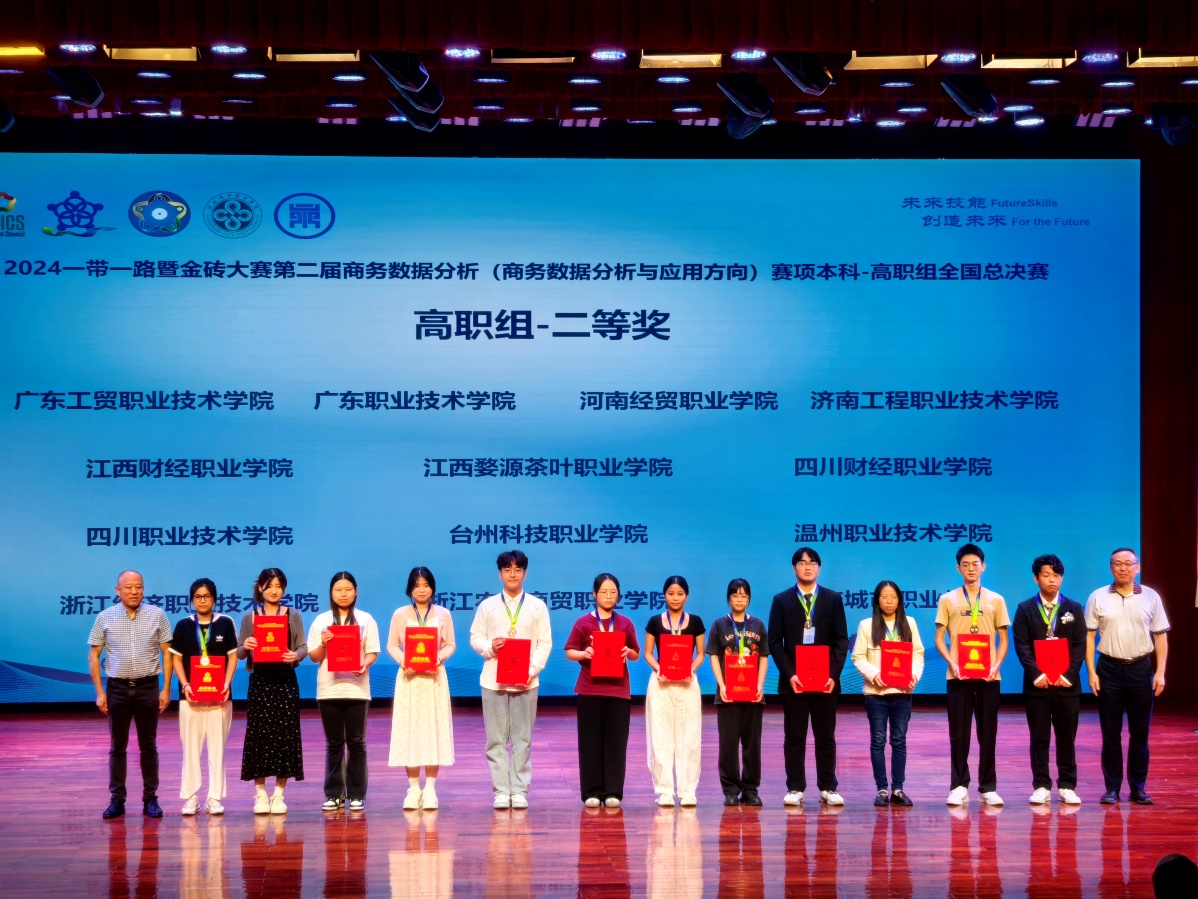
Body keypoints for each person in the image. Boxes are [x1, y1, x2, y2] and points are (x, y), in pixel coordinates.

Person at [469, 549, 553, 809]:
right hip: (493, 681)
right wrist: (490, 647)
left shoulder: (537, 606)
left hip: (526, 682)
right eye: (507, 569)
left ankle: (519, 790)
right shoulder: (487, 605)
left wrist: (531, 670)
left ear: (525, 573)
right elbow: (475, 637)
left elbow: (545, 643)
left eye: (518, 569)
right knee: (495, 739)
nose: (513, 574)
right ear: (500, 574)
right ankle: (501, 791)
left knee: (522, 739)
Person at [1085, 547, 1170, 805]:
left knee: (1140, 733)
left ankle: (1138, 787)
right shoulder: (1097, 596)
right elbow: (1089, 636)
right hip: (1108, 669)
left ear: (1137, 567)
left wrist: (1160, 672)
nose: (1123, 568)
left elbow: (1160, 636)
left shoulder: (1151, 596)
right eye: (1117, 564)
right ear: (1111, 568)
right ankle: (1111, 788)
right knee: (1110, 733)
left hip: (1140, 669)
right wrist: (1091, 672)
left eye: (1128, 563)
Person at [88, 570, 174, 819]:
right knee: (117, 747)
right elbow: (94, 656)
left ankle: (150, 799)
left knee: (149, 746)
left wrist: (166, 689)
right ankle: (117, 799)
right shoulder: (105, 616)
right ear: (118, 591)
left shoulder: (157, 614)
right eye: (128, 587)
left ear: (144, 589)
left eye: (139, 586)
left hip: (148, 688)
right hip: (117, 689)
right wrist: (99, 692)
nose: (134, 591)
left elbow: (167, 653)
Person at [767, 547, 848, 807]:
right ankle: (795, 788)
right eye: (802, 563)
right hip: (795, 683)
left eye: (812, 562)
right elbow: (774, 642)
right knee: (794, 736)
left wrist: (833, 674)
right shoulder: (781, 600)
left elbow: (841, 640)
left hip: (825, 682)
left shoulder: (832, 599)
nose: (808, 567)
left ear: (819, 568)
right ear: (794, 568)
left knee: (826, 736)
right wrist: (790, 674)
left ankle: (828, 787)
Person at [934, 542, 1010, 807]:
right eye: (965, 565)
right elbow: (939, 637)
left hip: (989, 677)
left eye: (975, 564)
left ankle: (988, 787)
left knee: (988, 734)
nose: (970, 569)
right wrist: (951, 662)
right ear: (958, 569)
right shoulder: (948, 599)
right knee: (959, 734)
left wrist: (996, 666)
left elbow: (1004, 639)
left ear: (983, 567)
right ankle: (958, 785)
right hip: (958, 676)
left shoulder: (996, 599)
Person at [1012, 554, 1086, 806]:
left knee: (1067, 738)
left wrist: (1069, 675)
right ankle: (1041, 785)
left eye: (1056, 575)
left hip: (1067, 685)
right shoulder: (1025, 609)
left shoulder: (1074, 607)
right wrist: (1037, 674)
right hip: (1038, 685)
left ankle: (1067, 785)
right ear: (1036, 578)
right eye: (1046, 575)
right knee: (1039, 737)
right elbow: (1022, 645)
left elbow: (1080, 645)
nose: (1052, 580)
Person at [564, 572, 641, 808]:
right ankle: (591, 792)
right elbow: (570, 652)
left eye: (613, 592)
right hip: (589, 690)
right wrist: (584, 653)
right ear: (594, 594)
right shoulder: (583, 622)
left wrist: (627, 652)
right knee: (590, 742)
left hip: (618, 691)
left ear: (618, 595)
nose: (608, 596)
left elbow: (636, 654)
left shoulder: (625, 623)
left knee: (616, 742)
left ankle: (613, 792)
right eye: (604, 592)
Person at [307, 571, 381, 811]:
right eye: (338, 589)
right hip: (328, 689)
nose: (343, 594)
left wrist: (365, 664)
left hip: (357, 688)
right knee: (334, 743)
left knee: (357, 742)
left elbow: (372, 652)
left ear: (356, 591)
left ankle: (357, 794)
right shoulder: (321, 621)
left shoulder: (366, 619)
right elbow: (314, 657)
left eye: (348, 589)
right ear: (331, 592)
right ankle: (334, 794)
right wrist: (323, 643)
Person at [238, 567, 307, 814]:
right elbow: (239, 652)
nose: (274, 591)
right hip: (260, 681)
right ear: (260, 588)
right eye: (269, 586)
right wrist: (246, 646)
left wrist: (295, 655)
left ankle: (279, 794)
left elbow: (303, 647)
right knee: (258, 735)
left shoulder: (293, 614)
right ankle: (260, 794)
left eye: (279, 586)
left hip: (285, 681)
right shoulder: (250, 617)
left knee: (285, 735)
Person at [388, 566, 456, 811]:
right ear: (410, 589)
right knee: (410, 730)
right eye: (417, 585)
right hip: (409, 678)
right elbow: (392, 645)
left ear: (433, 588)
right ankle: (413, 788)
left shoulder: (443, 614)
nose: (422, 590)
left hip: (434, 678)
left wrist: (438, 658)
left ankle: (430, 789)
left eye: (426, 585)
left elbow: (450, 645)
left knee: (433, 729)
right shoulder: (400, 614)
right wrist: (404, 661)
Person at [851, 580, 924, 807]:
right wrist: (874, 675)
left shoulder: (909, 623)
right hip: (876, 693)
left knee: (899, 741)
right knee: (878, 740)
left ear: (899, 600)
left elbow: (918, 654)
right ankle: (882, 789)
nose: (889, 601)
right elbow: (858, 657)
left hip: (902, 692)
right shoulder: (866, 625)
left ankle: (898, 789)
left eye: (893, 597)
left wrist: (914, 676)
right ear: (877, 600)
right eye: (884, 597)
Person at [170, 577, 238, 815]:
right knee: (190, 749)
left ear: (214, 599)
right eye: (198, 597)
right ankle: (191, 797)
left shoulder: (226, 623)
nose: (202, 600)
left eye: (207, 596)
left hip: (220, 698)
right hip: (190, 698)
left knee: (217, 749)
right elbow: (176, 659)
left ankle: (214, 797)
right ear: (192, 600)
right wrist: (185, 684)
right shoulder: (183, 625)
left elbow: (232, 657)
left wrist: (227, 683)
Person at [705, 578, 769, 807]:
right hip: (728, 694)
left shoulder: (758, 625)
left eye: (744, 595)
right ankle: (731, 789)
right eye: (735, 595)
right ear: (728, 598)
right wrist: (721, 684)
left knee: (752, 744)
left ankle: (751, 789)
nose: (739, 599)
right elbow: (714, 656)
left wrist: (760, 684)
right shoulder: (719, 624)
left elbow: (763, 656)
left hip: (753, 693)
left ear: (749, 599)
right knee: (729, 744)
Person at [643, 575, 706, 807]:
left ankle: (688, 790)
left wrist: (691, 668)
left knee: (689, 736)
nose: (675, 598)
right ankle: (665, 791)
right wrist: (659, 668)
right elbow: (648, 653)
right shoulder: (654, 621)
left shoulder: (696, 622)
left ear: (687, 596)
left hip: (688, 683)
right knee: (661, 736)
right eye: (671, 593)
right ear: (664, 595)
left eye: (680, 593)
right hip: (661, 683)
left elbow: (700, 653)